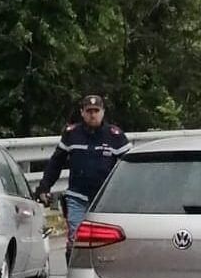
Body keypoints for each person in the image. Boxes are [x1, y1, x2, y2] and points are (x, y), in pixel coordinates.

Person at [34, 94, 131, 263]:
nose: (93, 115)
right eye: (89, 111)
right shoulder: (72, 134)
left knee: (105, 241)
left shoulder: (115, 136)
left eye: (96, 110)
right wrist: (44, 187)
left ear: (103, 112)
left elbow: (129, 168)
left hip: (104, 200)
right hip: (77, 197)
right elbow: (56, 162)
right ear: (82, 113)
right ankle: (73, 274)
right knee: (76, 238)